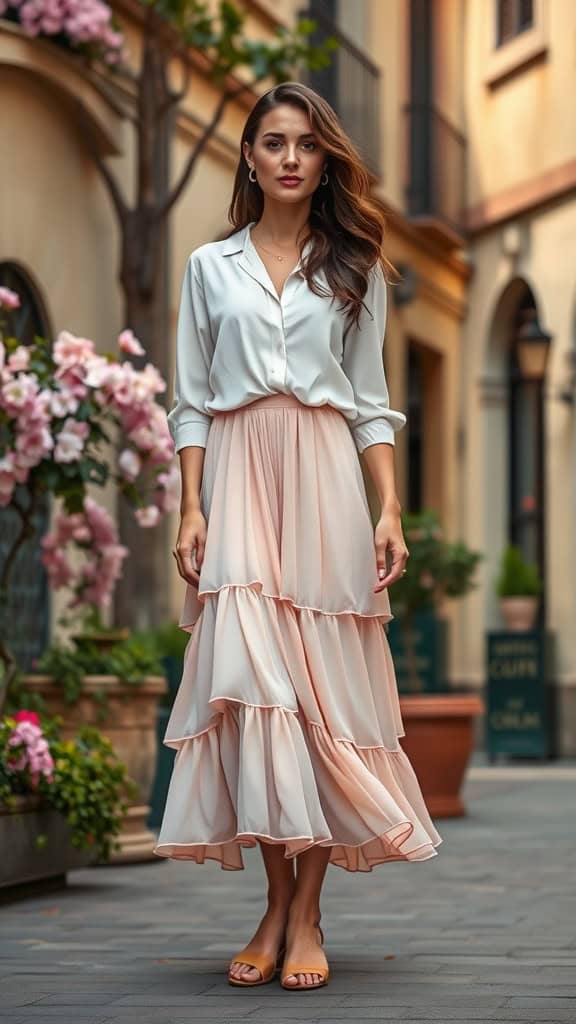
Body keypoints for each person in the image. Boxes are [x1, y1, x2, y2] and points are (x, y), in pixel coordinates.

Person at [153, 81, 442, 992]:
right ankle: (274, 903)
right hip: (238, 476)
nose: (288, 156)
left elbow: (368, 402)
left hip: (321, 480)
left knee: (319, 699)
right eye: (272, 142)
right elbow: (192, 398)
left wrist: (389, 508)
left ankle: (305, 911)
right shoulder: (209, 268)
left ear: (323, 163)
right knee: (257, 692)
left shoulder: (353, 266)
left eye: (305, 145)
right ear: (250, 157)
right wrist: (192, 505)